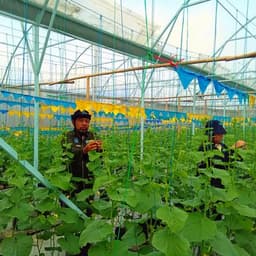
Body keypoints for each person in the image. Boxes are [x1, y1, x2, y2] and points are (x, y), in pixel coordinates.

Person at [62, 109, 102, 255]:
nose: (84, 124)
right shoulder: (68, 136)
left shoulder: (93, 136)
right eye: (81, 121)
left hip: (89, 183)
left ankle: (87, 244)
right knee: (73, 216)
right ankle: (73, 247)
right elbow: (68, 154)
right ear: (74, 122)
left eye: (87, 121)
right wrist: (83, 151)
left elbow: (99, 159)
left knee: (88, 215)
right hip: (73, 184)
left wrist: (100, 150)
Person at [198, 119, 245, 188]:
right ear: (211, 134)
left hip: (222, 184)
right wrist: (232, 149)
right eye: (219, 134)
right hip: (210, 185)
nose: (221, 135)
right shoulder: (204, 148)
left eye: (221, 133)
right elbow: (218, 163)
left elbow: (231, 162)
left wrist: (239, 152)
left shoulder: (222, 146)